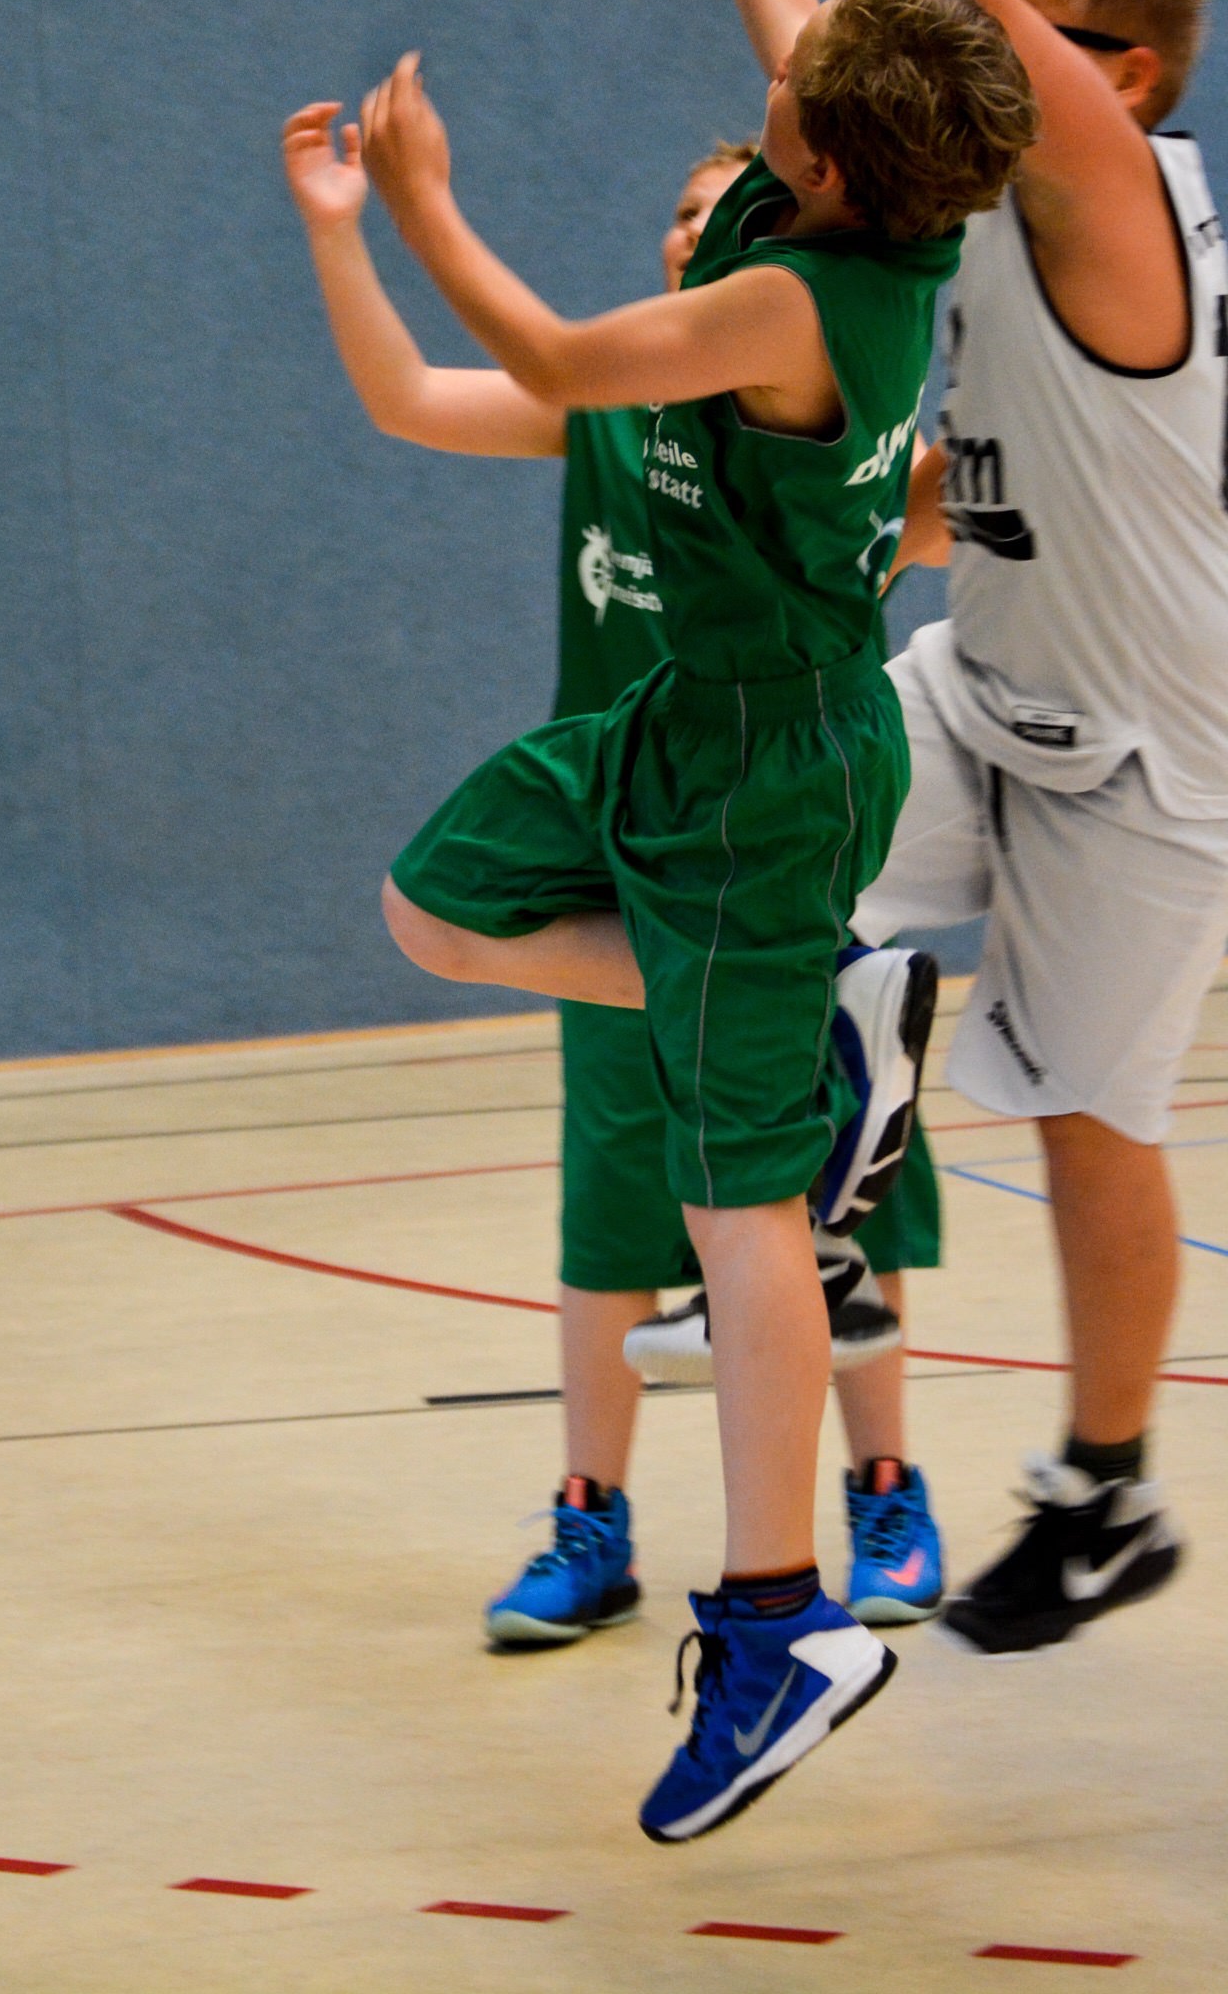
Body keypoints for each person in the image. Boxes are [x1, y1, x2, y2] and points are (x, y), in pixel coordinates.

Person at [288, 0, 1038, 1844]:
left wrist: (416, 194)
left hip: (764, 768)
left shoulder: (797, 304)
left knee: (743, 1229)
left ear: (820, 148)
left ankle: (781, 1609)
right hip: (666, 734)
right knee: (434, 905)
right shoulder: (848, 188)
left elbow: (532, 351)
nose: (777, 47)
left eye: (800, 67)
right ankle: (822, 1023)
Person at [715, 0, 1227, 1654]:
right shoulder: (979, 200)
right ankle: (816, 1183)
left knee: (1099, 1123)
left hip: (1149, 751)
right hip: (988, 680)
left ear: (1125, 76)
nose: (988, 52)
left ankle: (1103, 1492)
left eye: (1032, 30)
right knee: (758, 835)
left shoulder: (1118, 193)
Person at [280, 113, 946, 1649]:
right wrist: (337, 224)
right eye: (683, 211)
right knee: (614, 1198)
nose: (697, 229)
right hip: (618, 859)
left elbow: (926, 516)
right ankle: (593, 1519)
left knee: (825, 1211)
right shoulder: (614, 414)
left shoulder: (812, 391)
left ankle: (882, 1493)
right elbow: (406, 396)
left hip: (764, 824)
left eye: (727, 207)